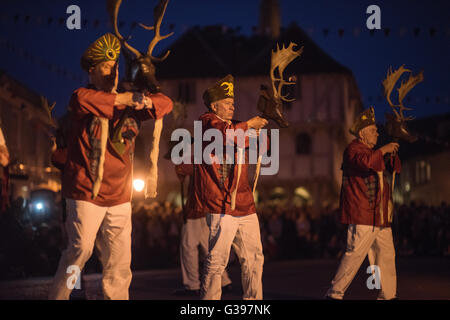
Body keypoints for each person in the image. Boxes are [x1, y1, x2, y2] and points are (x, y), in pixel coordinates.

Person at [48, 33, 173, 300]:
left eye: (116, 65)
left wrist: (145, 96)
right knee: (79, 250)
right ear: (91, 71)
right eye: (106, 66)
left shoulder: (128, 100)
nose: (113, 71)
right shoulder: (83, 96)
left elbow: (166, 104)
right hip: (86, 192)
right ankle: (58, 296)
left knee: (119, 260)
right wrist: (128, 99)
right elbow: (84, 101)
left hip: (119, 195)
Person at [193, 74, 268, 300]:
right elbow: (226, 136)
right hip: (220, 203)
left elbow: (241, 136)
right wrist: (250, 126)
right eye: (227, 103)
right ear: (214, 106)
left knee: (254, 258)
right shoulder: (207, 122)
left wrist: (256, 128)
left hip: (244, 204)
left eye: (233, 103)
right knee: (217, 260)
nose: (232, 106)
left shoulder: (233, 126)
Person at [326, 107, 401, 300]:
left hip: (379, 214)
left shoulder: (369, 151)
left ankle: (388, 295)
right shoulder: (353, 149)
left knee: (386, 256)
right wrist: (383, 150)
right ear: (362, 133)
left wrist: (390, 156)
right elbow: (366, 163)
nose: (377, 133)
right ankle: (334, 293)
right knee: (355, 255)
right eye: (373, 130)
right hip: (363, 213)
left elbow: (384, 167)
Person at [174, 163, 232, 296]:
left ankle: (192, 284)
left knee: (189, 248)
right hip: (207, 207)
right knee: (210, 247)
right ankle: (224, 281)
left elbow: (183, 169)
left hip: (196, 208)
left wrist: (179, 163)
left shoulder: (199, 154)